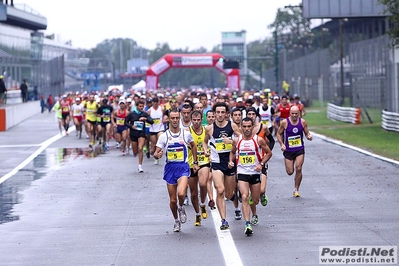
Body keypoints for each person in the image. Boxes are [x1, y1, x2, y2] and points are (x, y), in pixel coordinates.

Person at [153, 108, 199, 232]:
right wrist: (158, 155)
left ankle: (181, 206)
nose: (174, 120)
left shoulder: (185, 134)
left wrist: (195, 162)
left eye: (176, 118)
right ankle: (176, 220)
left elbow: (193, 145)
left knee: (181, 193)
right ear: (168, 119)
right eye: (172, 118)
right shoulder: (164, 136)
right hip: (170, 169)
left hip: (183, 167)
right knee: (172, 200)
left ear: (179, 118)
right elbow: (155, 153)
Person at [230, 117, 272, 235]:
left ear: (253, 127)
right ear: (241, 128)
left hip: (255, 173)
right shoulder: (237, 140)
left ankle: (256, 205)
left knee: (255, 200)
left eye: (249, 126)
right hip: (242, 172)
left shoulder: (258, 140)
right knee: (244, 196)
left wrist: (262, 164)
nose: (247, 129)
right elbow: (232, 152)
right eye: (244, 127)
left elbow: (269, 153)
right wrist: (231, 161)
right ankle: (247, 224)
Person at [203, 102, 241, 230]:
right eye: (217, 112)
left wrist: (231, 141)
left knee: (229, 194)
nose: (219, 115)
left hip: (229, 163)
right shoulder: (209, 128)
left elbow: (243, 139)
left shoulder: (232, 126)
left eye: (222, 112)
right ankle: (224, 220)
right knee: (220, 190)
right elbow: (204, 141)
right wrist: (205, 150)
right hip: (217, 163)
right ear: (214, 113)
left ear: (226, 114)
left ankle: (236, 195)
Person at [277, 106, 312, 197]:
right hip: (288, 150)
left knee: (299, 168)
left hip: (299, 149)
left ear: (299, 113)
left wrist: (309, 136)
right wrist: (282, 144)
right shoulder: (285, 122)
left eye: (296, 113)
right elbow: (279, 133)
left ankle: (296, 189)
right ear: (290, 113)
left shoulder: (303, 122)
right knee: (290, 172)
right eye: (292, 113)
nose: (294, 115)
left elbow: (307, 132)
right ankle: (295, 186)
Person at [187, 110, 210, 226]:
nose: (196, 122)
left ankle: (202, 204)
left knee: (203, 184)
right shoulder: (187, 132)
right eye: (194, 120)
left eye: (198, 120)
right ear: (191, 120)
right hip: (190, 164)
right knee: (193, 193)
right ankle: (197, 214)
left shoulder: (207, 131)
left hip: (204, 161)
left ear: (202, 120)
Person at [125, 100, 153, 172]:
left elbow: (151, 121)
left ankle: (140, 166)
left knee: (140, 148)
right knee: (135, 151)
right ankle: (135, 153)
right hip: (133, 133)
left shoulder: (144, 114)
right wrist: (131, 126)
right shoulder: (131, 114)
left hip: (141, 133)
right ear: (136, 106)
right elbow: (125, 122)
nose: (141, 108)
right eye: (140, 106)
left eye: (142, 106)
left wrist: (146, 119)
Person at [148, 97, 164, 165]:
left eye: (156, 102)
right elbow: (147, 119)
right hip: (153, 129)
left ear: (158, 102)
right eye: (154, 102)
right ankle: (155, 156)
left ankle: (158, 155)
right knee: (154, 144)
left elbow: (164, 116)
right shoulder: (149, 110)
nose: (155, 104)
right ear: (152, 103)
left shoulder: (162, 109)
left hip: (160, 128)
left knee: (159, 142)